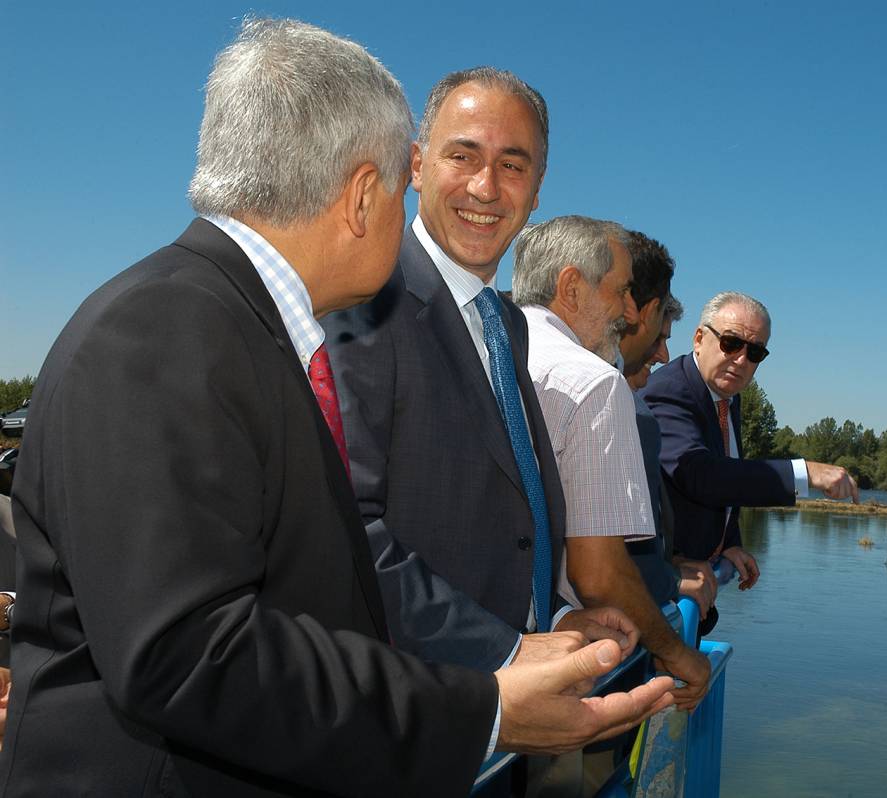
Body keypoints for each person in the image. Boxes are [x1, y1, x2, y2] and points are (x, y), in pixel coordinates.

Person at [0, 20, 672, 797]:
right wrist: (484, 711)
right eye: (406, 177)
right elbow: (188, 654)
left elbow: (300, 589)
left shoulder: (229, 326)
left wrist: (532, 648)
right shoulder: (165, 333)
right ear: (365, 193)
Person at [322, 67, 625, 674]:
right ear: (415, 165)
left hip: (498, 700)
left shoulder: (503, 321)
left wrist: (553, 621)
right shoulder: (363, 303)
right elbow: (343, 532)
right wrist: (507, 650)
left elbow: (497, 517)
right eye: (463, 156)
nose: (486, 187)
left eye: (513, 166)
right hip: (411, 707)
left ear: (537, 190)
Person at [513, 216, 711, 712]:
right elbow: (598, 573)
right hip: (561, 674)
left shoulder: (493, 354)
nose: (627, 312)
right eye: (621, 291)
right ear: (572, 287)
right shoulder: (596, 384)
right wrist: (675, 652)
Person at [641, 291, 859, 603]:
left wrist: (727, 543)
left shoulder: (725, 396)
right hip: (664, 590)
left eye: (755, 352)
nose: (741, 360)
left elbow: (726, 469)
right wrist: (804, 473)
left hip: (697, 586)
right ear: (699, 339)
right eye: (730, 343)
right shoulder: (669, 393)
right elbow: (701, 475)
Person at [617, 233, 717, 618]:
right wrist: (669, 581)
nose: (663, 356)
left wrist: (670, 564)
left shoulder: (634, 409)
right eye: (658, 338)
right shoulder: (636, 415)